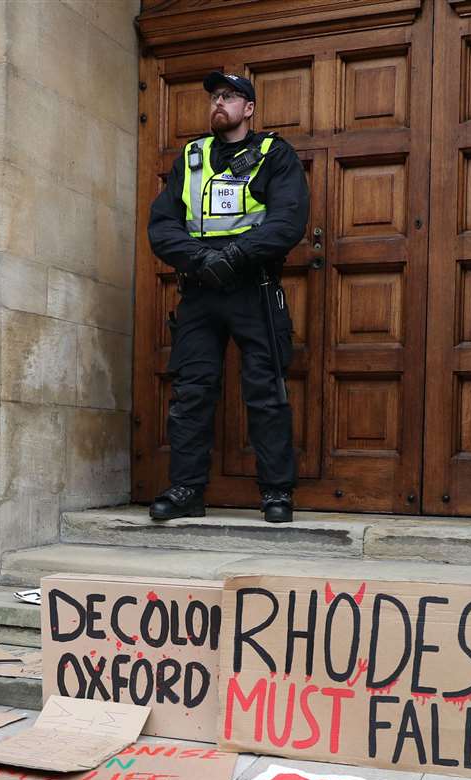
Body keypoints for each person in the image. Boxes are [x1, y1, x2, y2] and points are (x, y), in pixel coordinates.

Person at [145, 71, 310, 524]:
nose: (219, 103)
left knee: (265, 391)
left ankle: (277, 492)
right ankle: (186, 490)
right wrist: (200, 260)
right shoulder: (192, 157)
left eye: (230, 97)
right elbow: (162, 225)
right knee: (191, 392)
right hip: (200, 292)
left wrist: (237, 254)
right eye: (214, 97)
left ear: (249, 109)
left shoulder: (275, 154)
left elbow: (288, 219)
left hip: (252, 287)